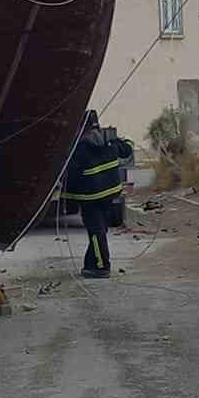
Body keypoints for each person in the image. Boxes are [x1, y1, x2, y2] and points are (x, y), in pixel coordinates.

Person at [62, 111, 122, 279]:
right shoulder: (108, 141)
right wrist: (119, 141)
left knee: (96, 232)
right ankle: (90, 264)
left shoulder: (79, 148)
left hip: (90, 198)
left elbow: (71, 174)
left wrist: (66, 196)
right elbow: (127, 150)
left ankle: (101, 267)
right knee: (100, 229)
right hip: (110, 194)